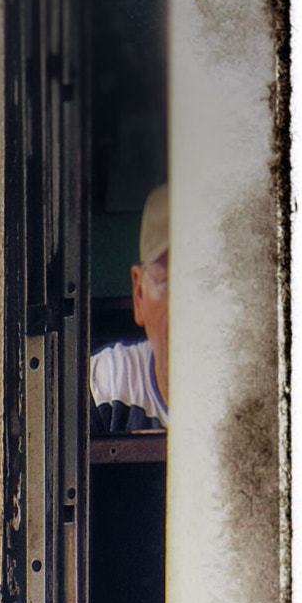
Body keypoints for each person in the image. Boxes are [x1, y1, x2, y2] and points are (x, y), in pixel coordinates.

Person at [90, 184, 169, 433]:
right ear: (139, 294)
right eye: (168, 279)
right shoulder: (105, 385)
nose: (187, 304)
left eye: (203, 277)